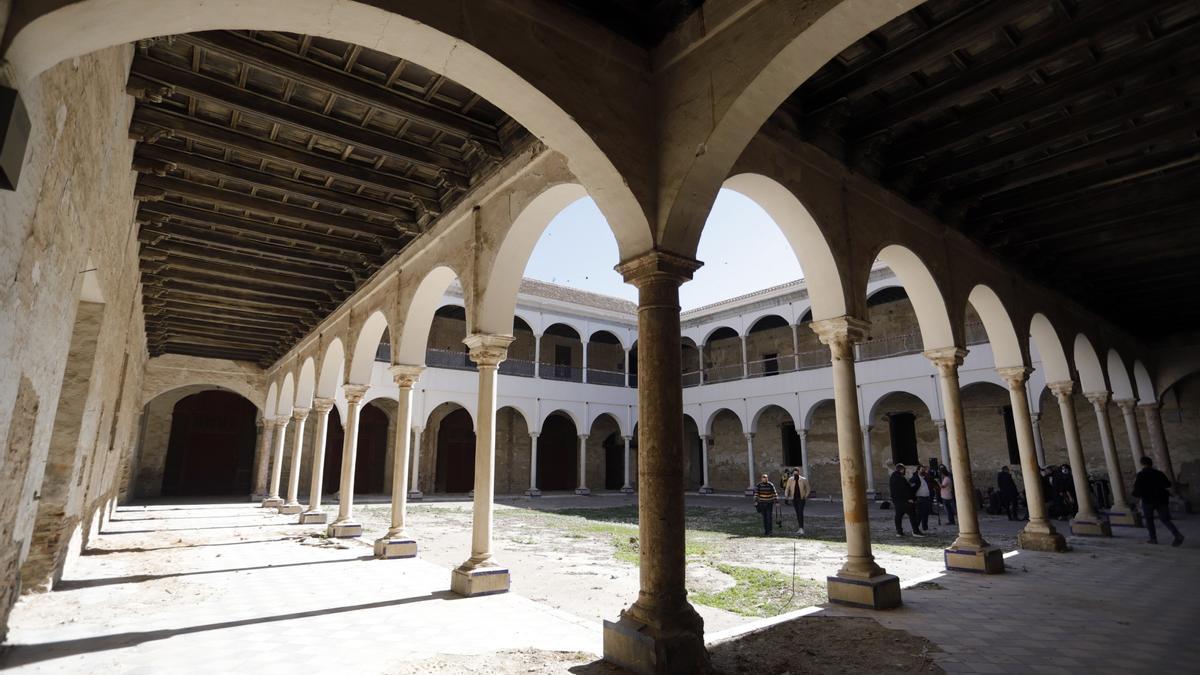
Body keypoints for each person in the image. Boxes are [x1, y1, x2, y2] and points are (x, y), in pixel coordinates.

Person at [1132, 456, 1184, 547]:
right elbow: (1168, 484)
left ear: (1142, 464)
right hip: (1161, 499)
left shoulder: (1141, 475)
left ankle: (1153, 539)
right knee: (1165, 519)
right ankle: (1177, 535)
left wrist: (1136, 494)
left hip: (1148, 501)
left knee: (1149, 520)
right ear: (1151, 464)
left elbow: (1138, 489)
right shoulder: (1159, 473)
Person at [889, 464, 922, 536]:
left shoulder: (893, 477)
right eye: (904, 470)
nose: (905, 472)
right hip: (904, 501)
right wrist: (909, 498)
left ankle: (899, 532)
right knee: (912, 515)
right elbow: (905, 489)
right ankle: (915, 531)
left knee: (898, 516)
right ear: (902, 470)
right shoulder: (900, 478)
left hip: (897, 501)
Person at [784, 467, 811, 535]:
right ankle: (800, 528)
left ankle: (801, 528)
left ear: (799, 473)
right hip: (794, 499)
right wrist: (786, 495)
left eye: (797, 473)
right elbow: (787, 488)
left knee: (800, 512)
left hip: (801, 498)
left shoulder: (803, 480)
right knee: (797, 513)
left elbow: (808, 489)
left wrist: (805, 496)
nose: (795, 475)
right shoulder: (790, 480)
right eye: (794, 473)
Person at [912, 465, 934, 532]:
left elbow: (931, 483)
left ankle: (925, 528)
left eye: (924, 470)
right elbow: (912, 488)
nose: (923, 471)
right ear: (918, 470)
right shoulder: (915, 478)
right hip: (920, 498)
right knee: (919, 514)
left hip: (926, 497)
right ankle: (915, 529)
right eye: (922, 469)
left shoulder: (926, 478)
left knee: (926, 513)